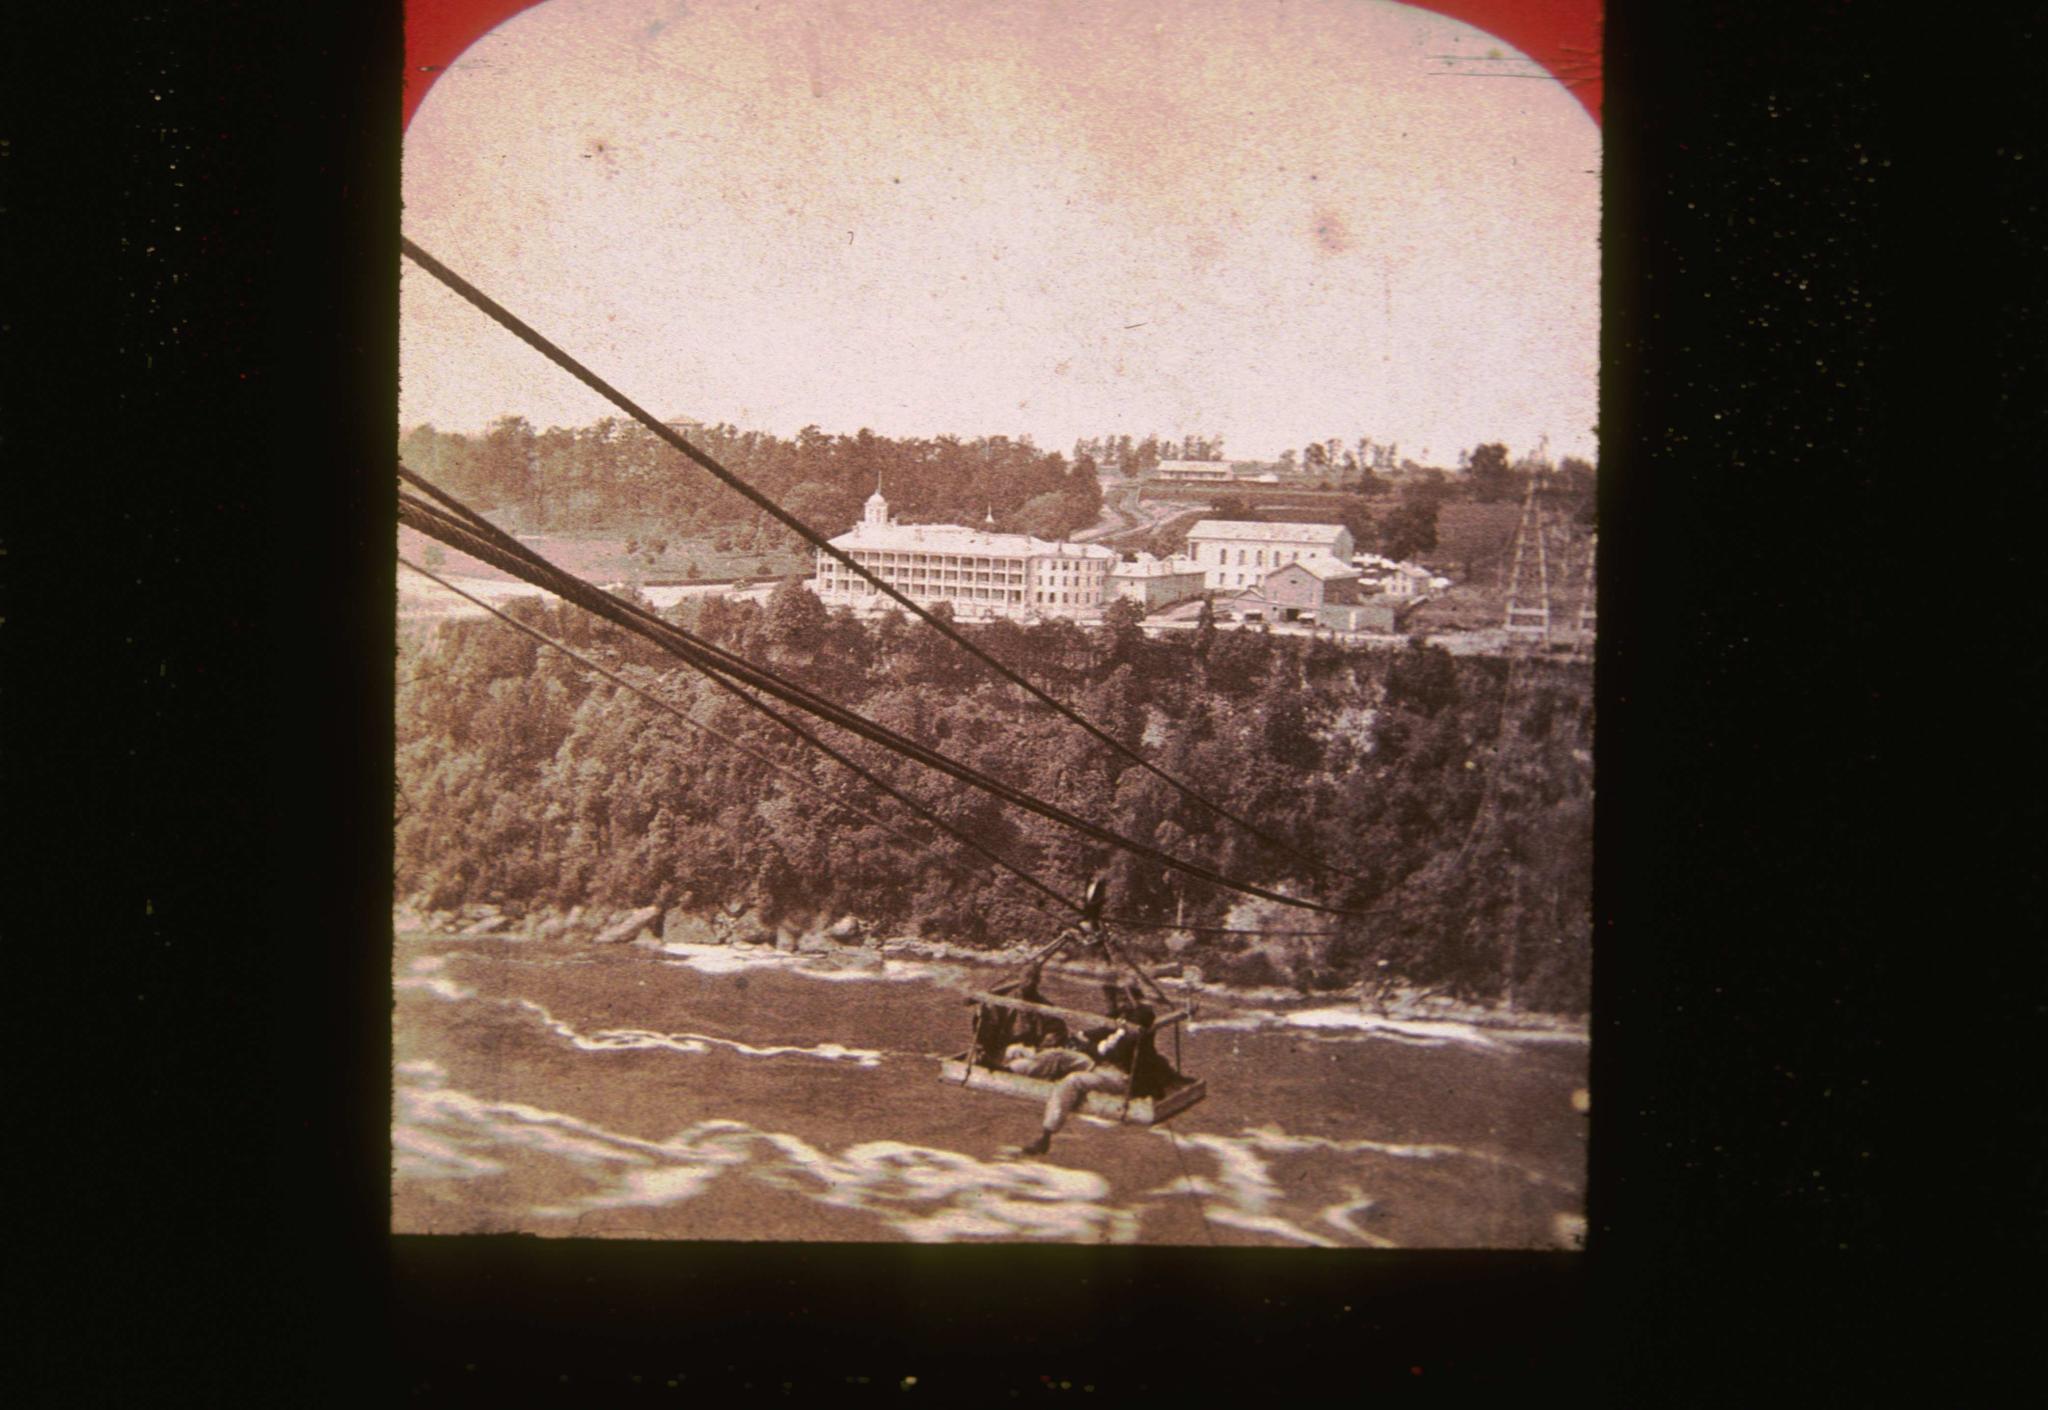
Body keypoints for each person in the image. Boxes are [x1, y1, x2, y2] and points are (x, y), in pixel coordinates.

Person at [1020, 1003, 1157, 1156]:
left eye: (1129, 1021)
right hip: (1100, 1066)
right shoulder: (1123, 1030)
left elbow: (1110, 1053)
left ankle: (1046, 1135)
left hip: (1117, 1077)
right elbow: (1104, 1035)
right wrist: (1085, 1036)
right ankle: (1013, 1069)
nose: (1124, 1022)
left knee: (1073, 1081)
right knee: (1059, 1054)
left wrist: (1087, 1045)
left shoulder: (1136, 1037)